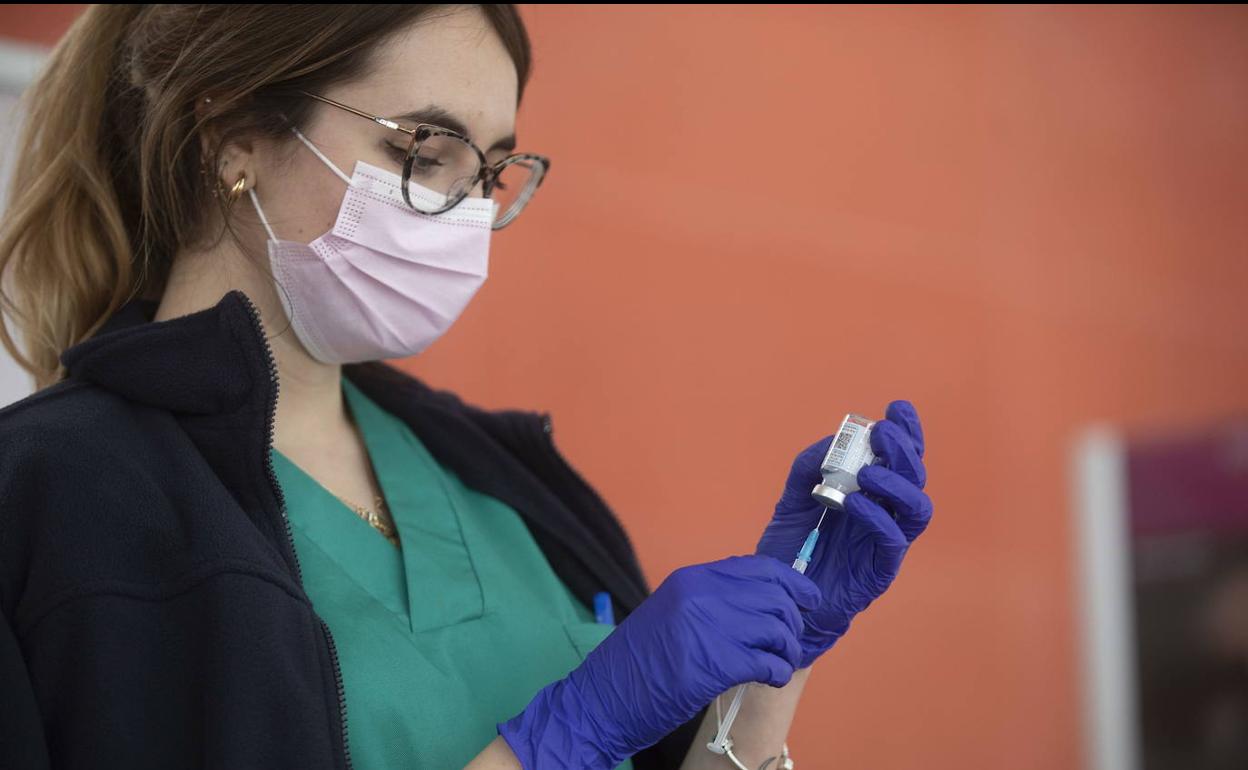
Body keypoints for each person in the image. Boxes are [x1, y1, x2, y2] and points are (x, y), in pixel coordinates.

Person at [0, 5, 934, 770]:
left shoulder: (499, 479)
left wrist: (767, 673)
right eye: (424, 151)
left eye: (489, 170)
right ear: (231, 135)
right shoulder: (59, 491)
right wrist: (559, 739)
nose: (466, 212)